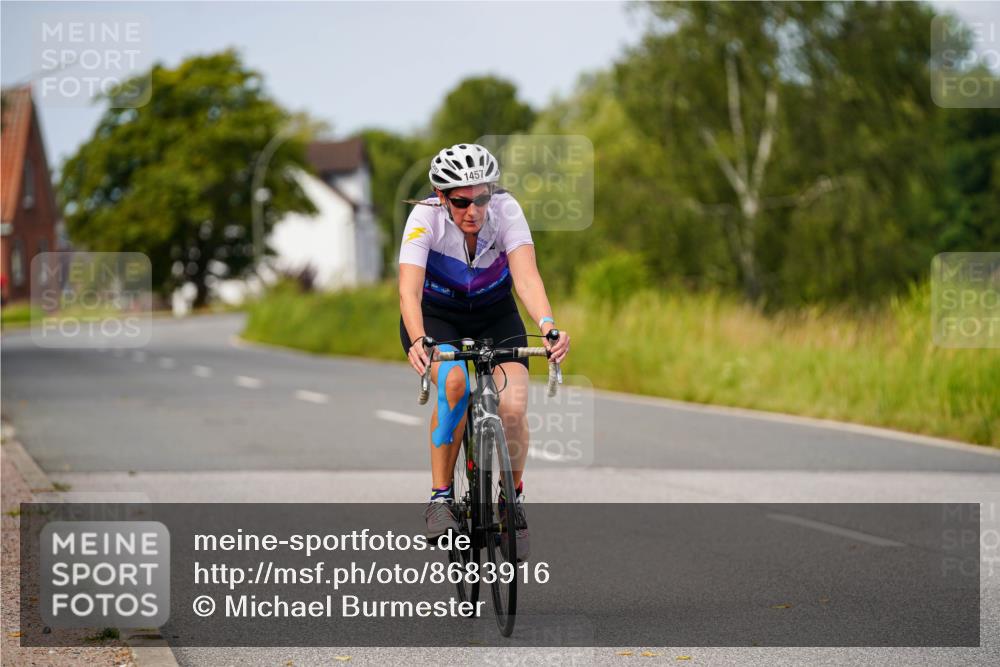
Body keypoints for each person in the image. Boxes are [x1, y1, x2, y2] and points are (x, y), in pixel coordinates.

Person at [398, 143, 570, 561]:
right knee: (453, 382)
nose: (472, 210)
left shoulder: (507, 211)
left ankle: (511, 503)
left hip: (495, 313)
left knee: (513, 404)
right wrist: (420, 339)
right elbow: (408, 289)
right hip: (438, 317)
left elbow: (527, 277)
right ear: (441, 197)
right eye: (460, 202)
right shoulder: (424, 218)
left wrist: (547, 326)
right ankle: (440, 499)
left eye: (481, 198)